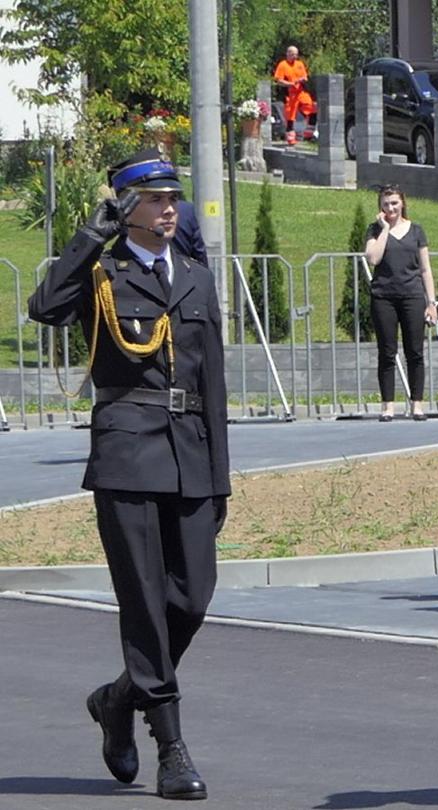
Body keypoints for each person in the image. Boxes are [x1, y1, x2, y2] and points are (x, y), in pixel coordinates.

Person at [29, 149, 228, 800]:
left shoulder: (196, 278)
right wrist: (93, 233)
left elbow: (214, 385)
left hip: (191, 454)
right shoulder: (102, 272)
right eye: (156, 200)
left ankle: (118, 698)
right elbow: (45, 306)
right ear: (127, 206)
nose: (171, 210)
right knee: (143, 603)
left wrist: (220, 479)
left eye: (174, 200)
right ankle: (170, 746)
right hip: (127, 451)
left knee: (192, 598)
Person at [361, 185, 437, 422]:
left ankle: (417, 404)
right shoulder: (374, 229)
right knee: (387, 352)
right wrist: (384, 229)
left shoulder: (416, 231)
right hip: (384, 297)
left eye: (394, 203)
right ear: (380, 207)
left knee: (415, 351)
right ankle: (388, 406)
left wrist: (431, 302)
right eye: (385, 204)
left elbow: (425, 269)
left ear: (402, 203)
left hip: (412, 296)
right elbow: (373, 258)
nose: (390, 208)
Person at [273, 44, 316, 144]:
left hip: (300, 91)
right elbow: (279, 80)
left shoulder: (299, 64)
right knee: (290, 115)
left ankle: (309, 131)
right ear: (288, 54)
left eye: (296, 55)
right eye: (293, 54)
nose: (295, 57)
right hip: (289, 93)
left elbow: (305, 77)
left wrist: (302, 80)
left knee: (311, 106)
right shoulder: (282, 65)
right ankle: (290, 137)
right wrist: (290, 84)